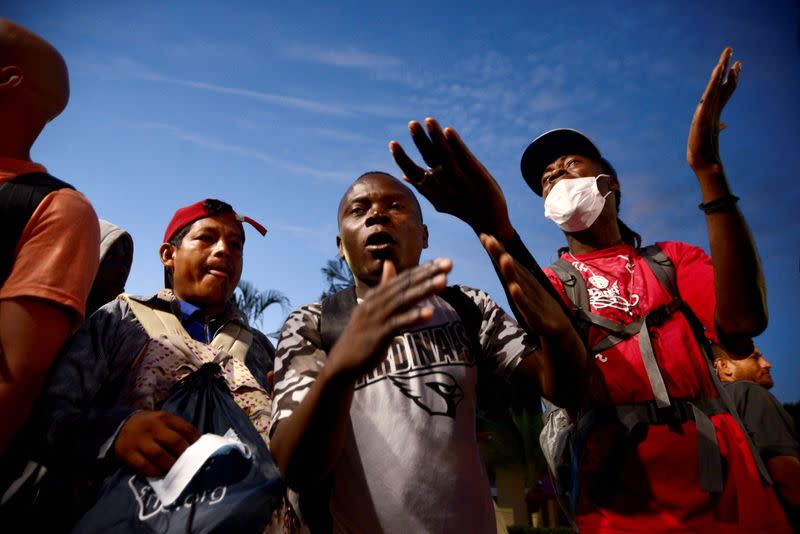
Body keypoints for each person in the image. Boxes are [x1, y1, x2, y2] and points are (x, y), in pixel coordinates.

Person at [390, 48, 791, 532]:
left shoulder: (671, 261)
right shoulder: (555, 283)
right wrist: (489, 225)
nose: (555, 174)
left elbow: (744, 322)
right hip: (620, 510)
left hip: (732, 497)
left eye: (569, 163)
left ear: (609, 181)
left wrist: (708, 171)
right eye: (545, 178)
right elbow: (566, 372)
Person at [269, 172, 585, 532]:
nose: (376, 215)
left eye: (394, 206)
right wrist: (338, 373)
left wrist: (558, 333)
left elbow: (565, 390)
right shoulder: (313, 322)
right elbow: (295, 468)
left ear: (424, 236)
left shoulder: (469, 306)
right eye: (359, 210)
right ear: (341, 246)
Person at [31, 199, 296, 531]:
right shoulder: (122, 319)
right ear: (168, 255)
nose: (224, 250)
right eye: (207, 238)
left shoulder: (258, 347)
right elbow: (48, 418)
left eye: (236, 245)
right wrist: (116, 432)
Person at [0, 18, 100, 467]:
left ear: (8, 80)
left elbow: (14, 385)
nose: (223, 254)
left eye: (233, 243)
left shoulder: (55, 208)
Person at [714, 342, 800, 529]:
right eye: (755, 358)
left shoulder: (708, 411)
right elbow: (786, 474)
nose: (767, 364)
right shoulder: (748, 392)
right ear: (724, 366)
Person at [85, 219, 134, 317]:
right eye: (110, 257)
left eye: (125, 261)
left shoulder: (127, 325)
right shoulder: (54, 317)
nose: (123, 270)